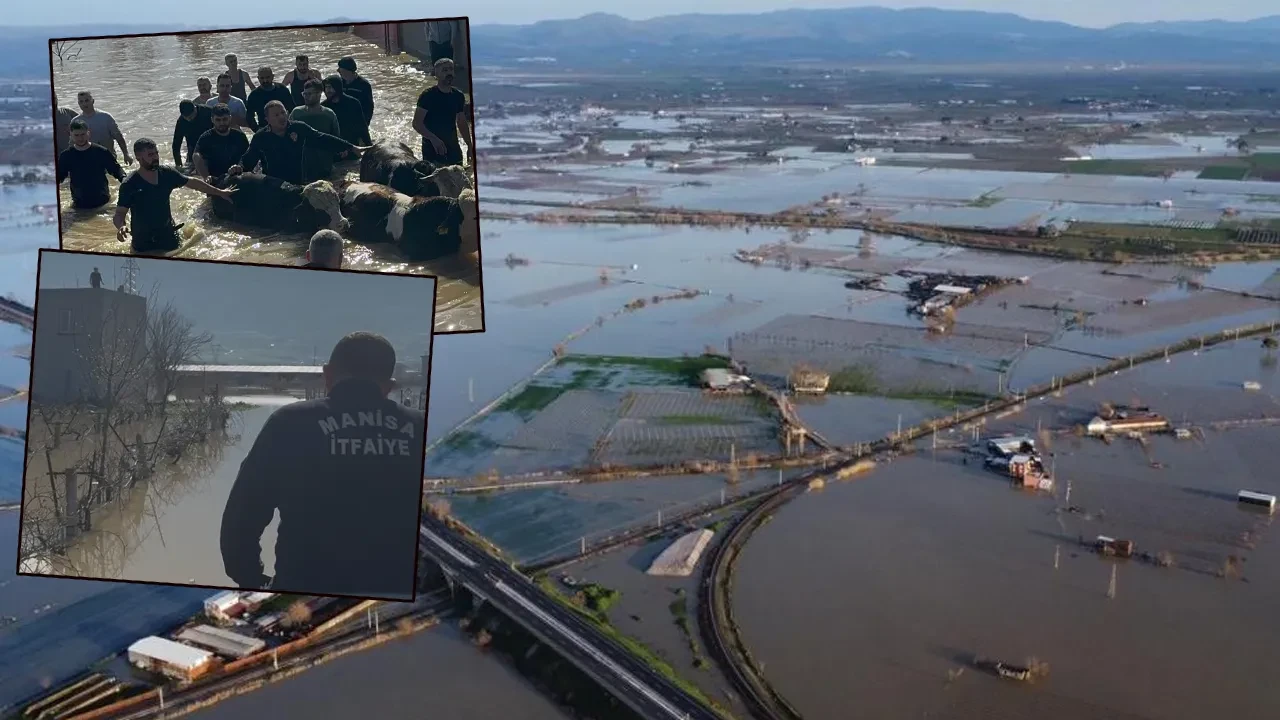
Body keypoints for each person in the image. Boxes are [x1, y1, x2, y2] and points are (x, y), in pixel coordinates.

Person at [219, 332, 425, 598]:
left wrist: (254, 581)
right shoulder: (420, 428)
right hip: (395, 597)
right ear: (389, 386)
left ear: (327, 374)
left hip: (302, 595)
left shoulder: (290, 422)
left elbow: (241, 519)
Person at [113, 138, 234, 254]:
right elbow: (119, 214)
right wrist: (121, 227)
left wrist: (220, 192)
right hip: (142, 242)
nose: (155, 157)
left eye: (156, 153)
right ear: (138, 157)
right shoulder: (129, 184)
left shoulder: (166, 173)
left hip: (168, 236)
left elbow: (193, 183)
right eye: (150, 155)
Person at [229, 100, 365, 185]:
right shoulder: (261, 137)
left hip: (298, 183)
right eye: (276, 115)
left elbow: (322, 138)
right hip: (273, 185)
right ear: (267, 119)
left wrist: (351, 147)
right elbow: (248, 161)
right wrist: (238, 168)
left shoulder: (298, 127)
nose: (281, 117)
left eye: (283, 113)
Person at [413, 58, 472, 167]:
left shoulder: (458, 96)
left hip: (453, 147)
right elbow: (417, 123)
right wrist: (433, 139)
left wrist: (469, 145)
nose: (449, 73)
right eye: (444, 70)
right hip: (433, 149)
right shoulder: (427, 96)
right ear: (437, 74)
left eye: (451, 69)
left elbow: (462, 122)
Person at [57, 119, 125, 210]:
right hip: (79, 203)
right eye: (76, 135)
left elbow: (116, 169)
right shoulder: (66, 155)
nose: (80, 138)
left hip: (103, 202)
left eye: (83, 134)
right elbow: (60, 176)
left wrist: (125, 179)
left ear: (88, 133)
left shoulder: (101, 151)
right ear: (70, 135)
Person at [73, 91, 132, 165]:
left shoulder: (106, 117)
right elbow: (72, 143)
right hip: (87, 160)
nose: (84, 104)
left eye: (87, 100)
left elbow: (119, 137)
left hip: (108, 158)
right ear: (78, 104)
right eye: (81, 101)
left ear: (93, 101)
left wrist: (126, 154)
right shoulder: (75, 121)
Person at [193, 104, 249, 180]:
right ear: (212, 120)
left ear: (230, 118)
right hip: (216, 178)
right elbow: (197, 156)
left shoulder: (240, 136)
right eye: (218, 120)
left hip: (237, 176)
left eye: (225, 119)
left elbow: (248, 156)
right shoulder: (205, 138)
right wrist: (206, 177)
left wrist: (240, 166)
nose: (222, 123)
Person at [322, 75, 371, 147]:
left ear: (338, 88)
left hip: (352, 144)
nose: (328, 90)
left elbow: (362, 127)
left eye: (330, 87)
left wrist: (368, 145)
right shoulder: (324, 106)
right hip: (333, 146)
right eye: (326, 87)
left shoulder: (353, 103)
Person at [245, 65, 293, 130]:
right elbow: (249, 117)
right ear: (258, 78)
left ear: (273, 76)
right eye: (262, 78)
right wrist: (257, 130)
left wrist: (290, 125)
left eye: (267, 77)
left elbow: (291, 109)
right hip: (265, 129)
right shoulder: (254, 95)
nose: (265, 80)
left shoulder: (282, 89)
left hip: (284, 127)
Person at [171, 100, 214, 168]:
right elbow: (176, 145)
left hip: (212, 143)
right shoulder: (181, 121)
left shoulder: (208, 112)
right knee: (190, 169)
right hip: (193, 148)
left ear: (195, 108)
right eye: (186, 118)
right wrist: (179, 165)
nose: (189, 119)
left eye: (191, 116)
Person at [336, 57, 373, 127]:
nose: (338, 70)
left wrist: (365, 124)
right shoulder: (339, 83)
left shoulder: (364, 85)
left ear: (348, 70)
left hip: (359, 120)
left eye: (340, 68)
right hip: (342, 120)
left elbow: (369, 107)